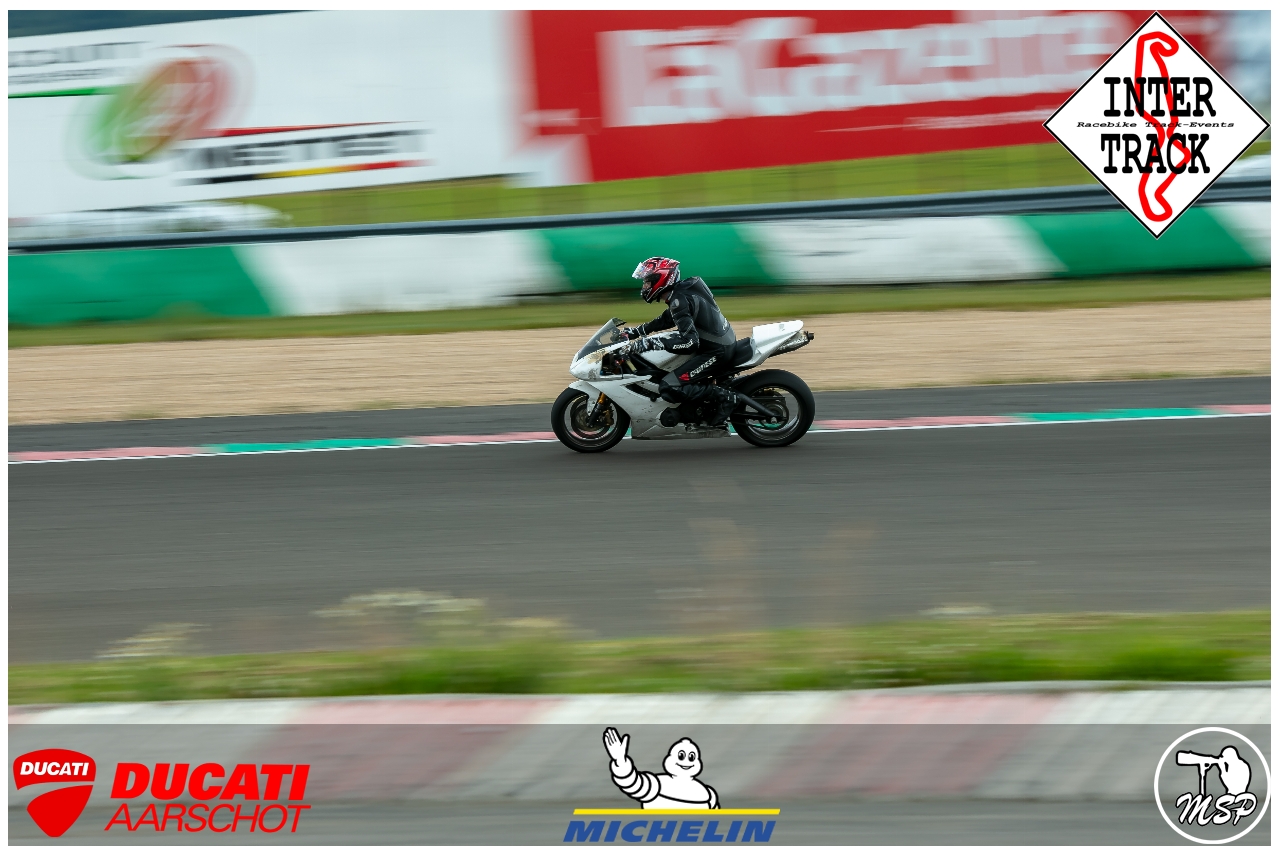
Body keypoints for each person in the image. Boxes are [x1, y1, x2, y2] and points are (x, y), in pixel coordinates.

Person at [619, 256, 742, 425]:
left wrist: (649, 343)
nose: (645, 286)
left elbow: (690, 342)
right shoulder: (681, 294)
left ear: (661, 279)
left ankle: (725, 397)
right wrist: (636, 332)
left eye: (648, 281)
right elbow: (667, 319)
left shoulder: (679, 300)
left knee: (668, 386)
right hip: (718, 343)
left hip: (716, 351)